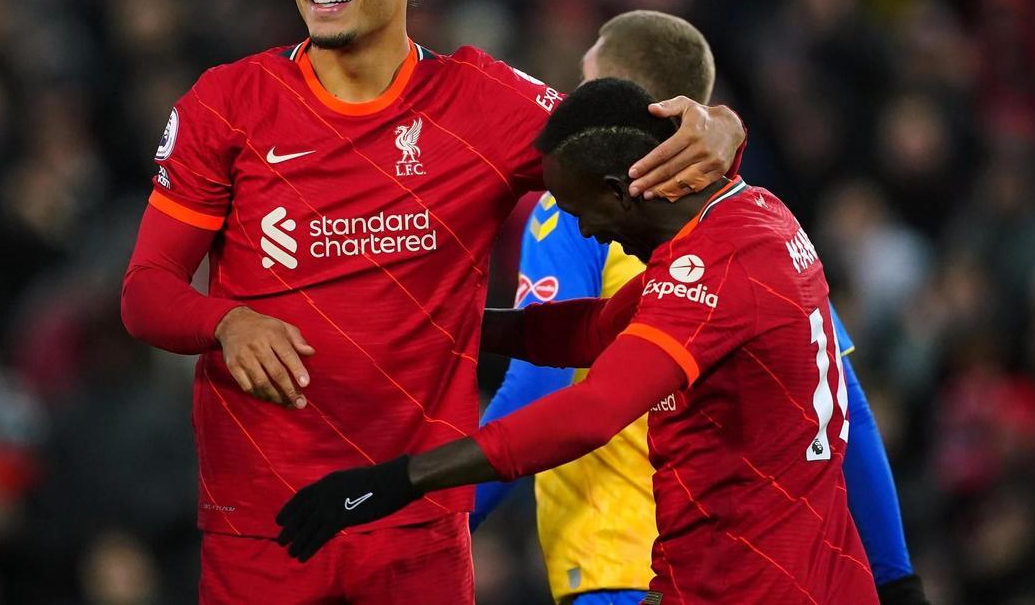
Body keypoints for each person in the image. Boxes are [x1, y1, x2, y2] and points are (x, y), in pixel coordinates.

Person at [119, 0, 744, 604]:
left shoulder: (484, 103)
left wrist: (721, 124)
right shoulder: (227, 104)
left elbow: (635, 137)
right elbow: (146, 292)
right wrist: (226, 321)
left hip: (415, 529)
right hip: (263, 520)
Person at [274, 77, 880, 605]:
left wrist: (400, 479)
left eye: (579, 209)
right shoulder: (750, 217)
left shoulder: (715, 270)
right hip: (773, 576)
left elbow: (591, 412)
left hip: (753, 589)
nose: (586, 230)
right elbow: (591, 331)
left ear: (620, 189)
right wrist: (428, 321)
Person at [474, 11, 929, 605]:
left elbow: (538, 385)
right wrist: (897, 578)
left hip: (619, 564)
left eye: (586, 84)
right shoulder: (751, 219)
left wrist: (433, 519)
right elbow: (844, 405)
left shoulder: (568, 214)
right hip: (741, 565)